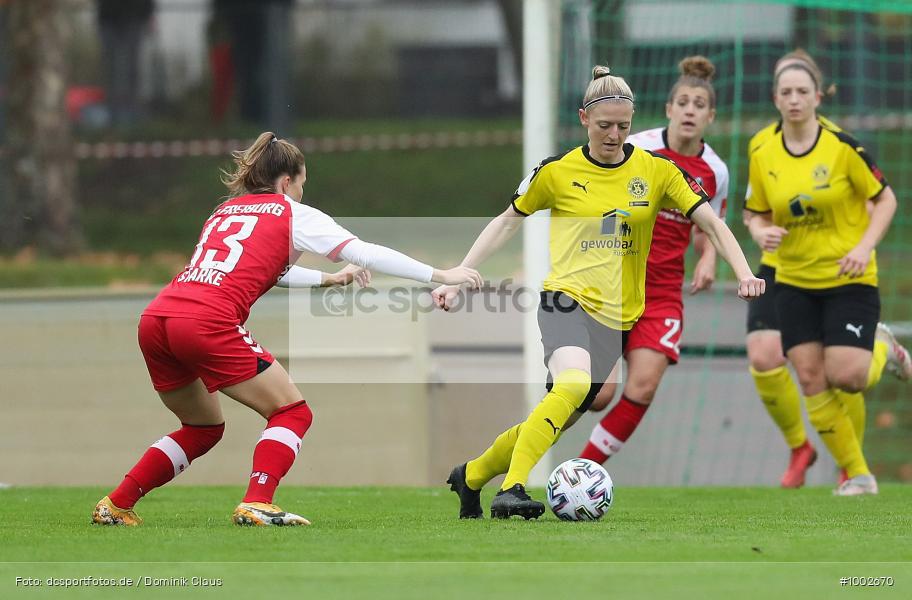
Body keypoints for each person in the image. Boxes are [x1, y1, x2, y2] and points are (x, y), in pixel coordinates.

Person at [92, 132, 482, 526]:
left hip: (158, 319)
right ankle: (257, 500)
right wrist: (442, 274)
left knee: (202, 427)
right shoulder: (291, 212)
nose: (300, 193)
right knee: (292, 412)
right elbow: (365, 252)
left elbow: (258, 267)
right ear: (286, 182)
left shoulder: (225, 212)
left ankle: (117, 503)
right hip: (206, 321)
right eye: (301, 185)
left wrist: (327, 280)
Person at [435, 66, 764, 520]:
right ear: (584, 119)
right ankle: (511, 489)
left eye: (623, 126)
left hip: (618, 316)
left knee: (560, 415)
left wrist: (744, 271)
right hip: (565, 301)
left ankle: (471, 476)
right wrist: (461, 273)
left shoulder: (656, 171)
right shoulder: (556, 171)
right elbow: (506, 220)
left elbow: (711, 222)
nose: (613, 134)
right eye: (604, 125)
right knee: (572, 384)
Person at [744, 50, 911, 490]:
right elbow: (755, 212)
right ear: (775, 98)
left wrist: (864, 245)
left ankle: (885, 350)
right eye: (786, 92)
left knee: (848, 377)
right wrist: (761, 234)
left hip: (847, 279)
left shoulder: (843, 147)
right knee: (813, 378)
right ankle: (858, 476)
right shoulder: (761, 148)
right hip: (793, 282)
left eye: (802, 91)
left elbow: (886, 199)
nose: (794, 99)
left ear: (818, 96)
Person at [577, 56, 728, 464]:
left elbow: (710, 227)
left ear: (710, 116)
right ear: (669, 109)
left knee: (643, 385)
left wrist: (708, 259)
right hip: (614, 283)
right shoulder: (637, 147)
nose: (690, 110)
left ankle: (584, 472)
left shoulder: (715, 170)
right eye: (683, 102)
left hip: (661, 292)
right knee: (598, 396)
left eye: (699, 104)